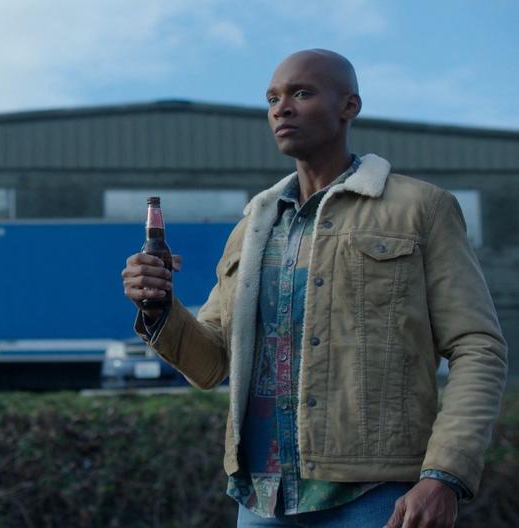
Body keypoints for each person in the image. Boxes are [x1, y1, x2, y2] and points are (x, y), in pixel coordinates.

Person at [122, 49, 507, 527]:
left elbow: (478, 346)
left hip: (377, 497)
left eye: (301, 93)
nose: (281, 108)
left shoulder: (420, 208)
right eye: (272, 98)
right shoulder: (252, 227)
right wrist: (160, 308)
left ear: (349, 106)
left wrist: (444, 474)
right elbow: (212, 363)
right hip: (263, 498)